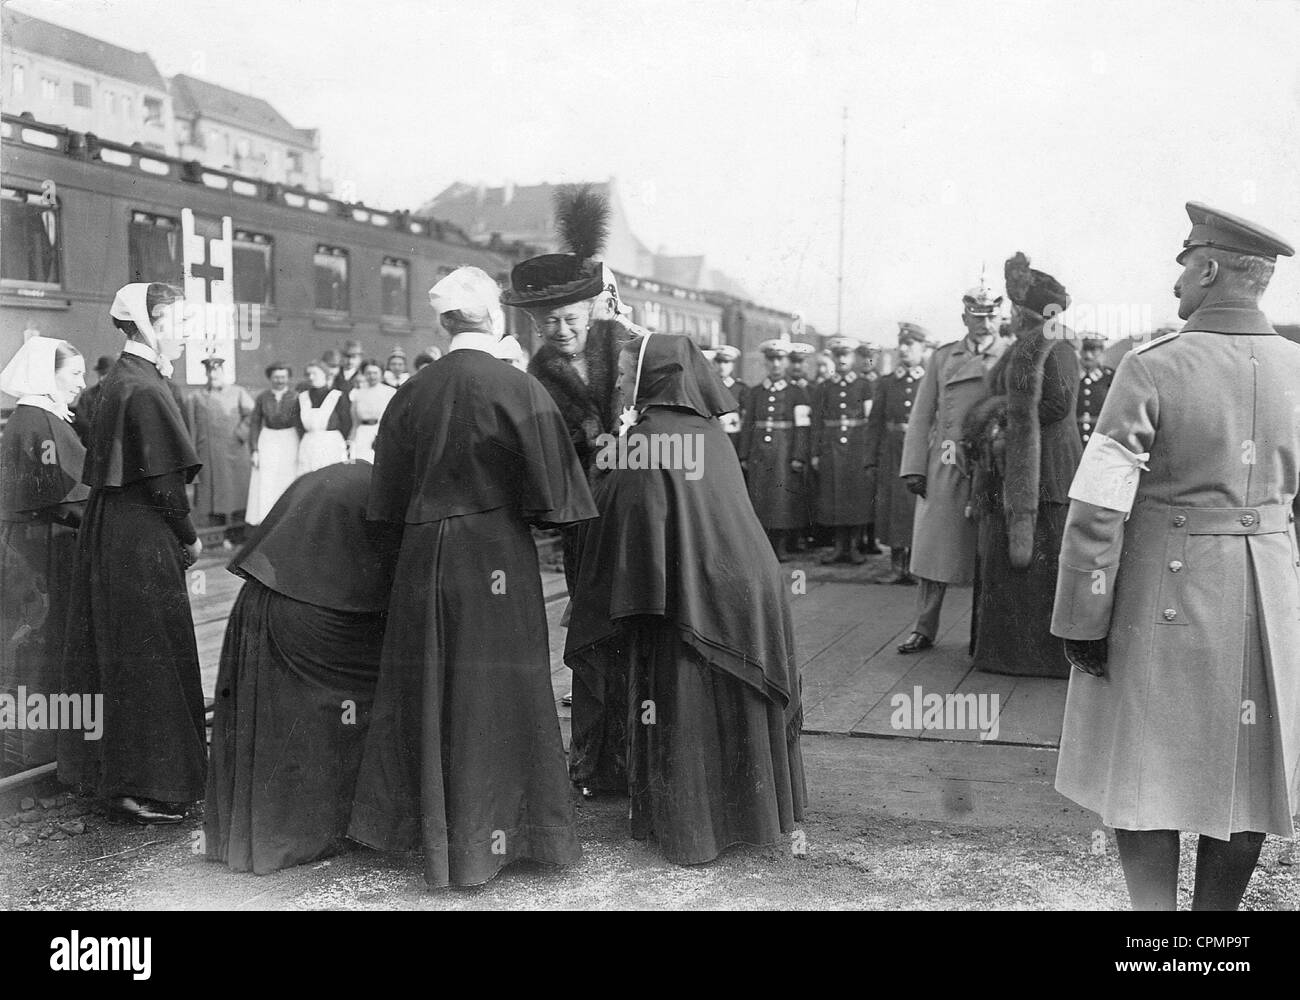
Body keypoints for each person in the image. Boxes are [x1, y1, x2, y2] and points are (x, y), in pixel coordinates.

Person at [1052, 202, 1299, 911]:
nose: (1177, 284)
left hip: (1164, 594)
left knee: (1144, 776)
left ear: (1213, 268)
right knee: (1252, 776)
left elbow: (1100, 506)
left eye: (1186, 265)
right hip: (1271, 598)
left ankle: (1156, 935)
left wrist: (1082, 617)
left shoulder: (1152, 367)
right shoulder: (1298, 367)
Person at [348, 266, 597, 888]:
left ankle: (427, 837)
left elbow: (383, 500)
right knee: (497, 692)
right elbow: (556, 499)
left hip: (422, 552)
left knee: (429, 688)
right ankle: (507, 836)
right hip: (493, 556)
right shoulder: (516, 386)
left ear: (444, 322)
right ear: (495, 317)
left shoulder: (411, 391)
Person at [566, 332, 807, 864]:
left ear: (654, 377)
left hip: (690, 600)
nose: (623, 382)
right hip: (742, 589)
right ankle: (751, 817)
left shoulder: (647, 439)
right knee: (730, 708)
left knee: (685, 705)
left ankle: (692, 832)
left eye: (630, 373)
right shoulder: (708, 431)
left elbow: (623, 522)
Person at [205, 462, 399, 875]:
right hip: (309, 614)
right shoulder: (385, 490)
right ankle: (316, 831)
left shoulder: (346, 474)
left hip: (259, 598)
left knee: (277, 714)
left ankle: (255, 834)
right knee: (369, 692)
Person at [60, 283, 206, 824]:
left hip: (115, 528)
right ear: (151, 324)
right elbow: (164, 482)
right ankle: (147, 784)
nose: (185, 330)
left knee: (126, 652)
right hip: (140, 534)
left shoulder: (123, 378)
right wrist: (189, 535)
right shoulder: (143, 387)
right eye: (178, 320)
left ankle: (123, 777)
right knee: (151, 655)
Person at [502, 184, 630, 794]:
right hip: (586, 524)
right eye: (546, 322)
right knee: (593, 633)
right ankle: (595, 760)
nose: (560, 330)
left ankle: (645, 752)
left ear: (591, 310)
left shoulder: (629, 353)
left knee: (646, 627)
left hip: (642, 515)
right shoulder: (538, 377)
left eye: (570, 318)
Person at [963, 253, 1080, 677]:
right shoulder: (1022, 347)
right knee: (1012, 566)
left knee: (1040, 564)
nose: (1008, 315)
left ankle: (1036, 657)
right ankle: (1005, 652)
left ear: (1026, 312)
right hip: (1014, 468)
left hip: (1045, 473)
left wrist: (1000, 417)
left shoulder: (1058, 347)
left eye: (1013, 309)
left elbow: (1057, 404)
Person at [896, 275, 1006, 654]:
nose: (985, 324)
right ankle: (924, 628)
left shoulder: (1009, 356)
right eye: (977, 317)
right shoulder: (943, 357)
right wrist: (914, 466)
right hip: (944, 460)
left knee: (988, 550)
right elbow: (922, 414)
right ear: (964, 318)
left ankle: (987, 633)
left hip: (990, 460)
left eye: (991, 316)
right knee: (933, 548)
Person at [0, 337, 89, 775]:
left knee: (36, 644)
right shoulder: (39, 422)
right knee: (43, 642)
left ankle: (36, 750)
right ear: (45, 375)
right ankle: (40, 754)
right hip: (43, 548)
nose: (81, 384)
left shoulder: (37, 417)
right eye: (74, 374)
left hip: (36, 541)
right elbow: (63, 495)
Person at [865, 323, 928, 584]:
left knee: (915, 507)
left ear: (922, 348)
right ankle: (895, 566)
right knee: (892, 507)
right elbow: (875, 422)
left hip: (919, 450)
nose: (904, 349)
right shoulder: (887, 382)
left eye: (910, 344)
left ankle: (915, 566)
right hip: (891, 452)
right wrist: (870, 458)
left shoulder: (928, 381)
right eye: (901, 343)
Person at [738, 339, 811, 561]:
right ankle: (762, 546)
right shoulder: (755, 392)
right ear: (765, 363)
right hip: (759, 452)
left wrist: (798, 455)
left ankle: (779, 546)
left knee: (780, 499)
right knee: (760, 498)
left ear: (786, 362)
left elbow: (802, 428)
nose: (776, 364)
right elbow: (748, 424)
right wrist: (743, 454)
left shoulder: (797, 393)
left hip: (783, 450)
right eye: (771, 359)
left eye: (780, 359)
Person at [811, 336, 873, 564]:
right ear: (833, 358)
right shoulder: (824, 387)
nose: (842, 359)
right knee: (834, 496)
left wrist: (869, 453)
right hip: (831, 447)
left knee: (856, 496)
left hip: (857, 447)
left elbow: (869, 420)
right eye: (838, 355)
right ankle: (838, 547)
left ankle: (855, 547)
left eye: (846, 355)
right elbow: (817, 421)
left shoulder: (864, 385)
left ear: (853, 357)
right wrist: (816, 453)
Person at [184, 357, 254, 547]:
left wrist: (240, 434)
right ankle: (216, 536)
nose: (213, 375)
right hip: (207, 456)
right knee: (211, 498)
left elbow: (252, 415)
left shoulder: (238, 392)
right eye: (209, 372)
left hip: (235, 454)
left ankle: (239, 535)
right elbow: (190, 427)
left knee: (237, 495)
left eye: (217, 371)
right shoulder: (195, 397)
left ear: (223, 372)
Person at [245, 362, 300, 526]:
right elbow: (255, 423)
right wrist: (254, 449)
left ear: (288, 378)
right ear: (270, 378)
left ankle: (288, 518)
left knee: (287, 477)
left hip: (290, 439)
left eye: (283, 377)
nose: (280, 380)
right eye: (276, 377)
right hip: (268, 439)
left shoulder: (296, 397)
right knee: (267, 478)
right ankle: (265, 518)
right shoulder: (263, 397)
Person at [296, 360, 351, 475]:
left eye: (314, 373)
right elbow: (298, 426)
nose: (311, 377)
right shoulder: (302, 398)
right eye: (308, 374)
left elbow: (346, 423)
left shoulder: (337, 396)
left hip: (331, 445)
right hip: (308, 445)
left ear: (325, 374)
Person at [349, 359, 397, 464]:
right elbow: (355, 422)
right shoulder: (357, 393)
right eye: (368, 373)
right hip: (362, 434)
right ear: (364, 374)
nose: (372, 376)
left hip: (381, 432)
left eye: (375, 373)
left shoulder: (390, 392)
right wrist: (351, 440)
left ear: (381, 374)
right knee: (361, 464)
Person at [1076, 334, 1113, 446]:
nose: (1088, 355)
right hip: (1075, 442)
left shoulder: (1110, 378)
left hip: (1100, 443)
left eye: (1094, 349)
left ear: (1102, 351)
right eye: (1084, 349)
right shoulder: (1069, 377)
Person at [711, 344, 747, 453]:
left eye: (726, 362)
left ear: (732, 365)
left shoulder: (741, 389)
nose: (722, 366)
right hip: (713, 437)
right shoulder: (708, 387)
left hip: (734, 438)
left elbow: (745, 418)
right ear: (714, 363)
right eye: (719, 362)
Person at [71, 354, 113, 446]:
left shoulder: (119, 396)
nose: (102, 378)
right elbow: (80, 419)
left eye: (106, 374)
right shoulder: (88, 395)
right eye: (101, 373)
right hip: (90, 444)